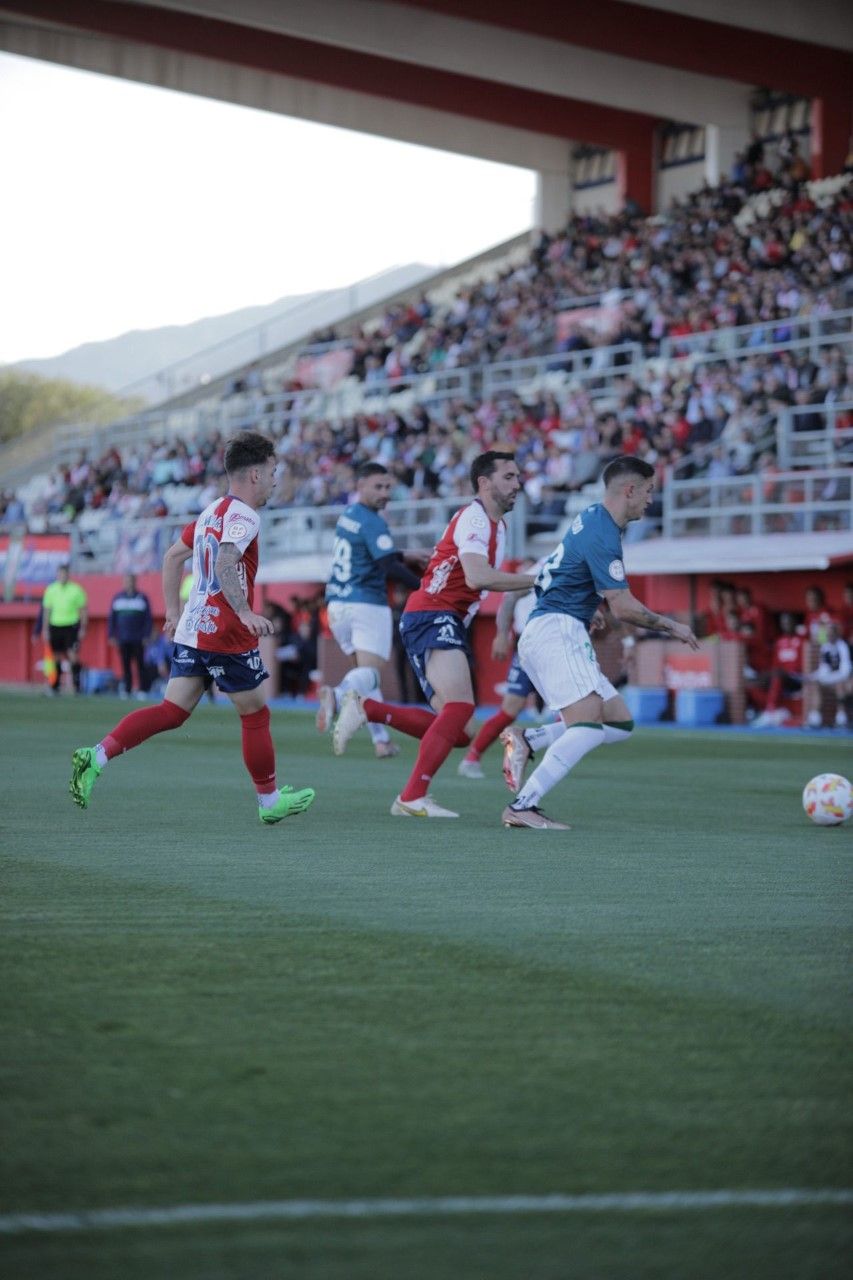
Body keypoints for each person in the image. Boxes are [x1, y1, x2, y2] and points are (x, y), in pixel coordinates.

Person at [68, 431, 315, 825]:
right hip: (226, 632)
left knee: (171, 711)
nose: (274, 480)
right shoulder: (245, 516)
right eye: (272, 471)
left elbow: (172, 557)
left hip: (194, 627)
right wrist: (246, 612)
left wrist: (172, 612)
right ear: (254, 474)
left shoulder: (212, 510)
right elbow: (224, 563)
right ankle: (269, 802)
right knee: (255, 714)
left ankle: (96, 755)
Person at [332, 450, 537, 817]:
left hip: (434, 616)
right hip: (434, 614)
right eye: (509, 477)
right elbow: (476, 576)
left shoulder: (496, 525)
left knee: (460, 731)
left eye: (518, 477)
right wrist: (540, 579)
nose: (517, 484)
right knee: (460, 708)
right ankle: (411, 796)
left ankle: (367, 708)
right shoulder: (475, 518)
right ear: (484, 483)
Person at [498, 455, 699, 829]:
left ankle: (529, 738)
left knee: (619, 723)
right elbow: (624, 608)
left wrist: (587, 605)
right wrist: (672, 626)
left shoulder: (592, 517)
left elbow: (565, 570)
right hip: (556, 630)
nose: (651, 500)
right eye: (649, 491)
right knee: (586, 725)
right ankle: (522, 805)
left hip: (558, 626)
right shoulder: (603, 532)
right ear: (630, 490)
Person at [317, 461, 425, 759]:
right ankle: (336, 697)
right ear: (360, 486)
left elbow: (371, 551)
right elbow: (386, 565)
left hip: (337, 605)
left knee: (363, 674)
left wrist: (403, 553)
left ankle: (381, 740)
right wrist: (424, 586)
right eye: (378, 487)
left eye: (388, 487)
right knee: (371, 675)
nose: (384, 493)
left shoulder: (348, 515)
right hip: (366, 603)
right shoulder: (374, 520)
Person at [42, 563, 88, 695]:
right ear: (57, 575)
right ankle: (55, 686)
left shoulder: (76, 590)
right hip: (55, 625)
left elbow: (83, 610)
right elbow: (47, 611)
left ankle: (77, 685)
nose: (63, 576)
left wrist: (83, 628)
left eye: (65, 574)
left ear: (68, 575)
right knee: (56, 656)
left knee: (73, 655)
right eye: (60, 574)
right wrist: (45, 629)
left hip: (71, 626)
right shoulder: (51, 589)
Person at [108, 572, 153, 698]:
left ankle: (142, 689)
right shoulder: (118, 598)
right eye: (126, 581)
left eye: (131, 581)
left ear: (135, 582)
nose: (128, 583)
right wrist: (111, 635)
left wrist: (146, 635)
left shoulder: (142, 598)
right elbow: (112, 618)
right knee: (125, 664)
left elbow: (148, 619)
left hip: (138, 638)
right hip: (123, 638)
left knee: (140, 664)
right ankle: (127, 689)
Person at [804, 622, 852, 728]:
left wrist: (830, 678)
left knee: (841, 686)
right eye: (827, 634)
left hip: (845, 679)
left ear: (836, 634)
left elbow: (846, 671)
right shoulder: (825, 647)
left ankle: (841, 718)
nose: (829, 636)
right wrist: (813, 676)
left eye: (831, 634)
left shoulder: (843, 646)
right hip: (832, 679)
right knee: (816, 684)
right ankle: (815, 718)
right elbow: (824, 669)